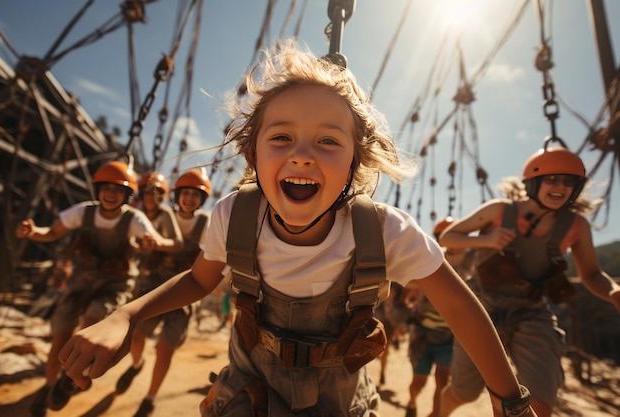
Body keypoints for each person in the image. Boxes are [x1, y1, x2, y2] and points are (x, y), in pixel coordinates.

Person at [58, 41, 538, 417]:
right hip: (248, 390)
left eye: (328, 141)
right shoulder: (234, 217)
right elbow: (199, 280)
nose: (302, 154)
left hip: (340, 401)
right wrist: (126, 317)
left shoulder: (383, 231)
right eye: (281, 137)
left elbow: (458, 304)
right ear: (253, 156)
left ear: (355, 164)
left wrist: (510, 400)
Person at [438, 143, 620, 417]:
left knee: (538, 403)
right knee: (463, 392)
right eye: (551, 178)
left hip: (532, 312)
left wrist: (614, 292)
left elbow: (592, 274)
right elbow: (448, 237)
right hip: (484, 308)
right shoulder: (499, 210)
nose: (560, 186)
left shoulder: (576, 226)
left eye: (569, 181)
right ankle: (437, 413)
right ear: (533, 183)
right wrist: (487, 240)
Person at [15, 160, 179, 417]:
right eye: (106, 188)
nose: (111, 194)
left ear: (126, 195)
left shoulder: (133, 218)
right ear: (97, 190)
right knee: (60, 338)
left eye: (117, 190)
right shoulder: (83, 212)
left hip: (114, 284)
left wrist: (154, 242)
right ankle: (49, 388)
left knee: (90, 325)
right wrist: (34, 231)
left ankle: (71, 377)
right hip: (82, 281)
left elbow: (158, 240)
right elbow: (52, 232)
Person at [113, 171, 187, 417]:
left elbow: (176, 244)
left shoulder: (166, 216)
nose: (150, 199)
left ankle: (150, 398)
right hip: (152, 283)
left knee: (165, 347)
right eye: (146, 194)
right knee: (137, 335)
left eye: (155, 195)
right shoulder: (138, 217)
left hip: (179, 287)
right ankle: (136, 365)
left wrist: (156, 243)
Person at [404, 217, 473, 417]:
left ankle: (436, 414)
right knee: (419, 381)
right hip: (423, 334)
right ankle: (412, 401)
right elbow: (410, 280)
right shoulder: (430, 258)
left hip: (449, 335)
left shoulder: (472, 262)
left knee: (443, 380)